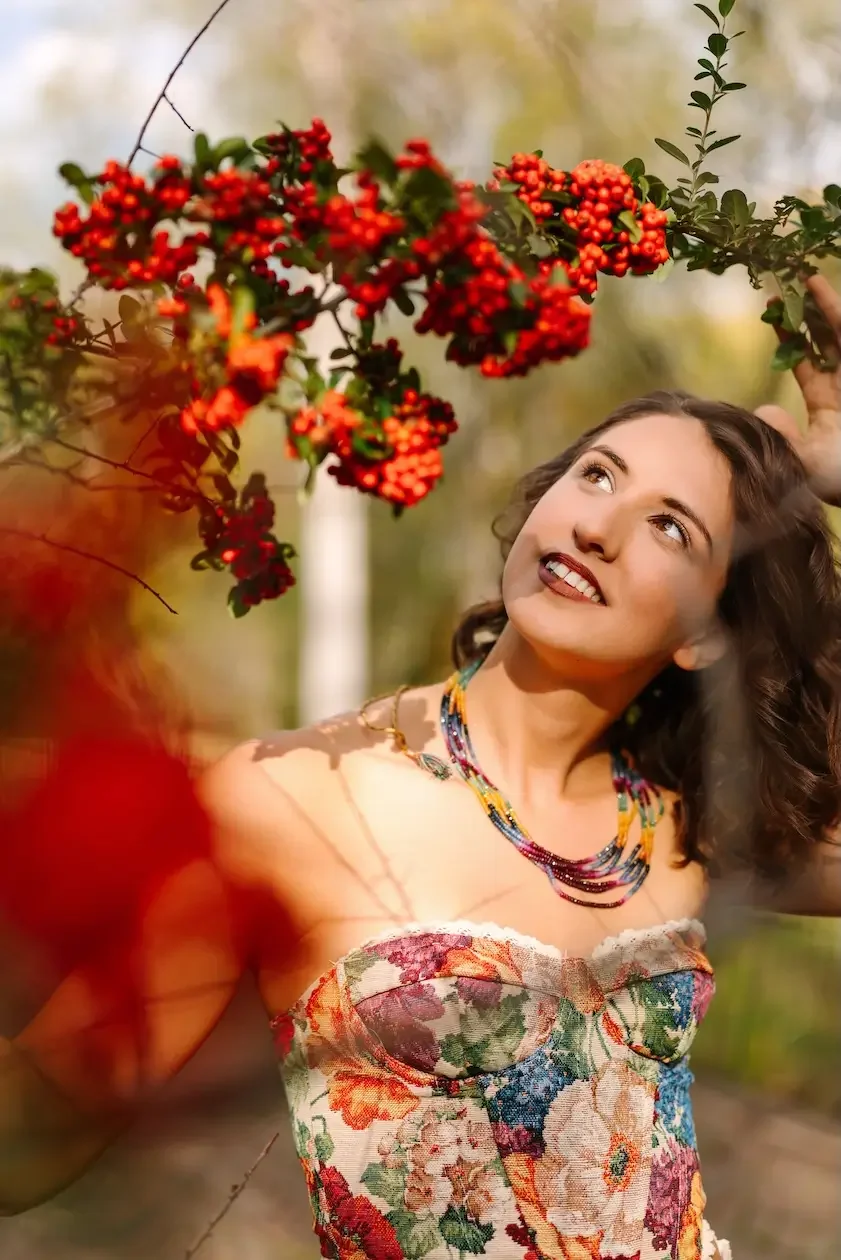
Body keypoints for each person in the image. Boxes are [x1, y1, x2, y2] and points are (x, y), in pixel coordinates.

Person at [3, 275, 841, 1260]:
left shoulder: (685, 828)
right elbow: (35, 1133)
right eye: (598, 475)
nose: (597, 528)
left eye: (671, 527)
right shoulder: (297, 797)